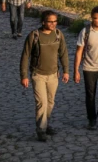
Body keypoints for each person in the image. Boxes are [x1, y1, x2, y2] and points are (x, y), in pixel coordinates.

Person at [20, 10, 69, 142]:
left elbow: (63, 53)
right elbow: (25, 56)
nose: (53, 24)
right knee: (42, 103)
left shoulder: (58, 34)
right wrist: (24, 76)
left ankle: (46, 124)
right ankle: (41, 130)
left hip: (53, 75)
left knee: (50, 102)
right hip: (38, 75)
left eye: (55, 21)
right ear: (43, 22)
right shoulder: (34, 36)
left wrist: (66, 70)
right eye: (50, 21)